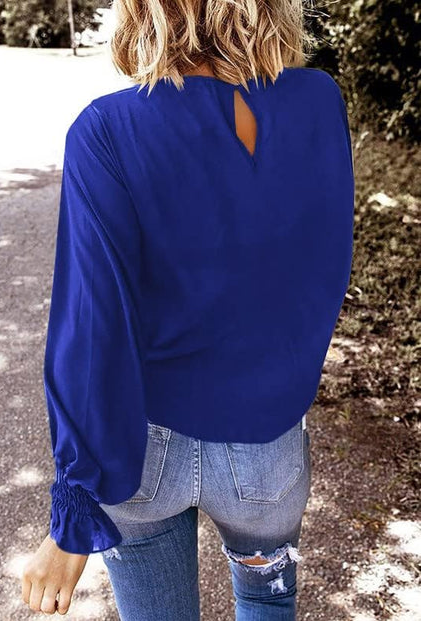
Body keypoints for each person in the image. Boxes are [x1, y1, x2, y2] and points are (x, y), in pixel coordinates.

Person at [21, 0, 354, 617]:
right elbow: (322, 259)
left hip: (141, 451)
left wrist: (73, 504)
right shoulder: (318, 101)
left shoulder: (106, 129)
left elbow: (92, 328)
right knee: (267, 603)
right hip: (267, 451)